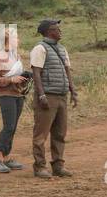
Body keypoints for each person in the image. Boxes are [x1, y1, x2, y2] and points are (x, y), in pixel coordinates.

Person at [30, 18, 77, 179]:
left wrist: (73, 91)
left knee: (60, 133)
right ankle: (40, 167)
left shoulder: (62, 49)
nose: (60, 31)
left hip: (61, 96)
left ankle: (58, 165)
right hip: (48, 96)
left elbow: (67, 71)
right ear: (49, 31)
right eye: (57, 29)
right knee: (41, 135)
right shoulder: (39, 49)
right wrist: (41, 94)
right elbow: (36, 73)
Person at [0, 25, 28, 173]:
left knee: (13, 126)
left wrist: (23, 79)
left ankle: (6, 157)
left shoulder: (16, 56)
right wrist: (11, 80)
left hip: (18, 94)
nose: (18, 39)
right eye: (15, 37)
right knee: (8, 126)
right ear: (8, 39)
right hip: (6, 95)